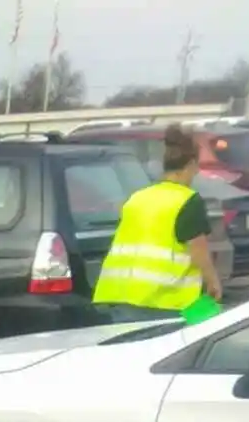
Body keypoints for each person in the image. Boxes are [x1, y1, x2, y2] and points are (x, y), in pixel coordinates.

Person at [92, 125, 223, 318]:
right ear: (191, 165)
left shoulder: (137, 197)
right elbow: (198, 251)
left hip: (119, 297)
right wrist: (213, 281)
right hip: (163, 301)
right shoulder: (187, 200)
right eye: (197, 168)